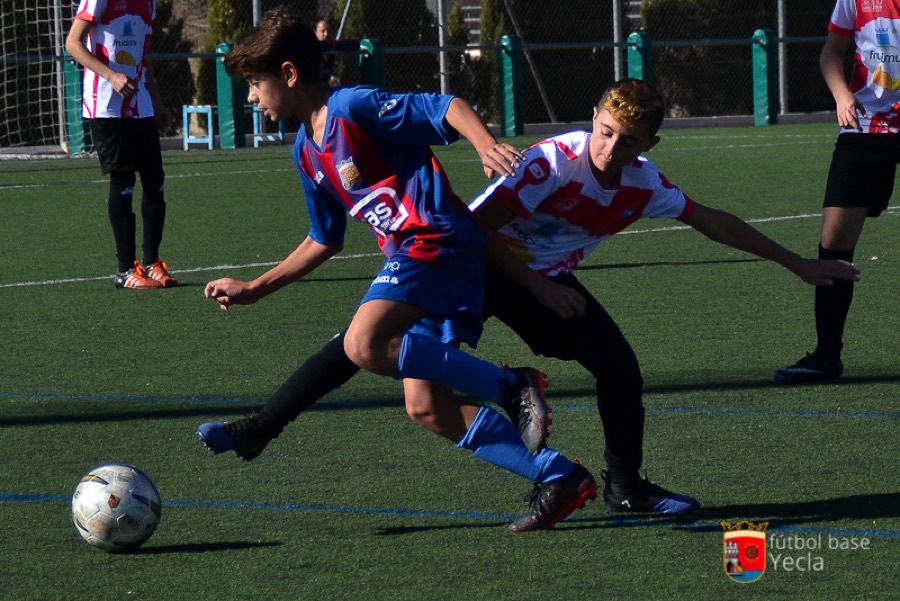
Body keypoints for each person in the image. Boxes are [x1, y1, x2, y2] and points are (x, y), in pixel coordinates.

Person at [199, 78, 861, 517]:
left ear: (649, 147)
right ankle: (266, 424)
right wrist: (538, 283)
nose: (610, 147)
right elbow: (475, 231)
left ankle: (622, 486)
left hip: (538, 284)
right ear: (593, 120)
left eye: (628, 141)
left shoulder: (643, 184)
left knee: (618, 365)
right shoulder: (552, 163)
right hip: (477, 269)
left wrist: (797, 262)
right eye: (605, 130)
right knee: (381, 363)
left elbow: (712, 219)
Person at [198, 7, 596, 533]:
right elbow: (324, 238)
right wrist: (256, 287)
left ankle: (511, 384)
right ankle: (562, 476)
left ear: (289, 74)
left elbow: (447, 106)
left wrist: (485, 146)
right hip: (412, 259)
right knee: (426, 406)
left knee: (362, 343)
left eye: (254, 83)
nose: (251, 97)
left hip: (438, 241)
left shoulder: (352, 107)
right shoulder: (305, 152)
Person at [775, 0, 892, 383]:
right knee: (836, 240)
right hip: (865, 127)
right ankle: (826, 356)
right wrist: (842, 95)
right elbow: (832, 52)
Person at [65, 0, 177, 289]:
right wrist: (111, 75)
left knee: (155, 180)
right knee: (123, 180)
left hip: (141, 102)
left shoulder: (149, 3)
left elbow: (144, 58)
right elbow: (73, 44)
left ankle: (151, 263)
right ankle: (125, 270)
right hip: (105, 104)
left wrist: (157, 101)